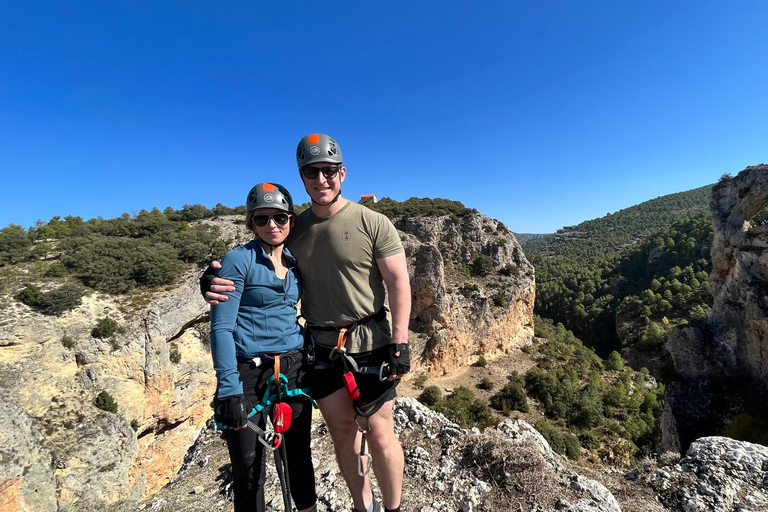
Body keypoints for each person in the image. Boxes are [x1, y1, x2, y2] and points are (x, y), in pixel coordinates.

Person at [204, 134, 411, 512]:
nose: (321, 179)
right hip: (320, 350)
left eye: (328, 171)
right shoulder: (294, 228)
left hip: (370, 343)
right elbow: (253, 258)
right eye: (311, 172)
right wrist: (213, 280)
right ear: (302, 177)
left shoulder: (373, 222)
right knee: (343, 433)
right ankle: (362, 507)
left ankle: (393, 509)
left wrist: (400, 341)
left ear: (342, 173)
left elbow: (398, 281)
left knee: (380, 435)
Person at [210, 182, 317, 512]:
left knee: (299, 457)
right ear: (251, 224)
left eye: (280, 217)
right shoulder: (238, 260)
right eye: (262, 219)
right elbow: (222, 327)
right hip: (248, 374)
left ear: (291, 221)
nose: (272, 225)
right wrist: (229, 390)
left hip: (293, 369)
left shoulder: (295, 262)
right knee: (248, 470)